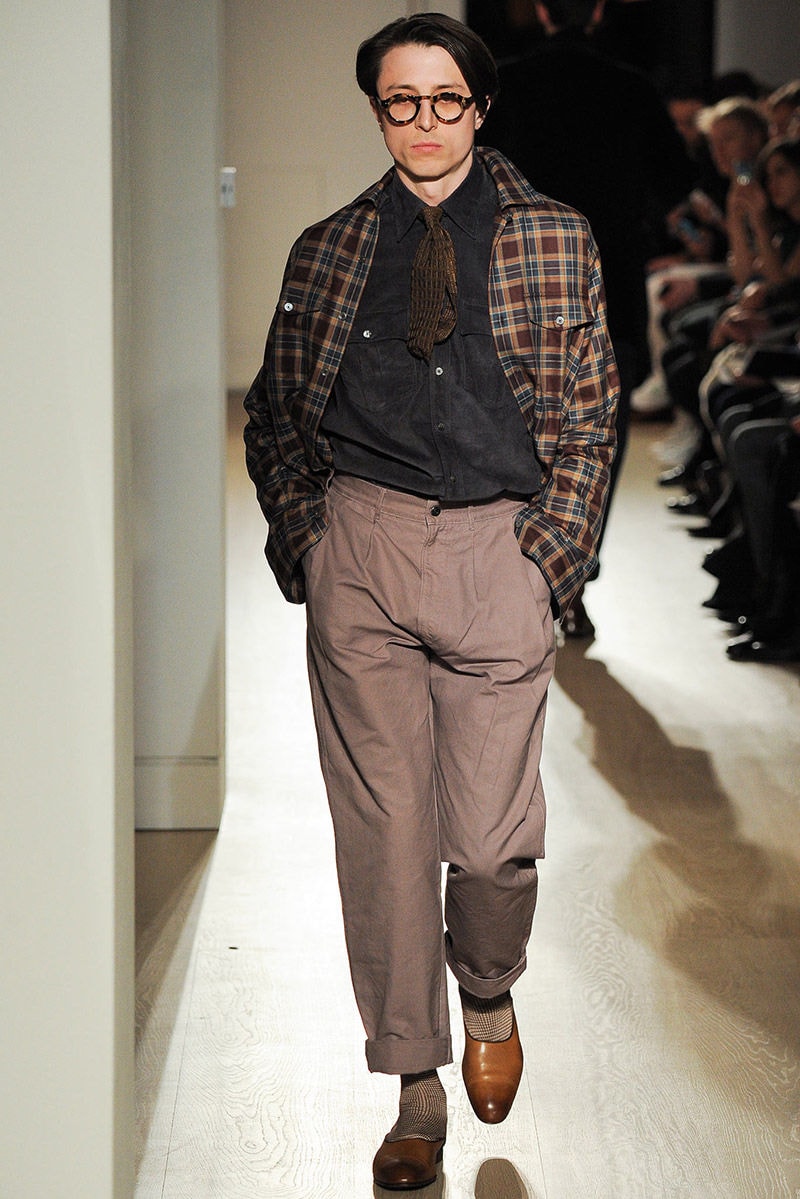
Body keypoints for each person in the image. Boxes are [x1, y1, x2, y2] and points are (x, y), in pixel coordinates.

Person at [243, 13, 618, 1191]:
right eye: (399, 102)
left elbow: (591, 412)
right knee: (386, 840)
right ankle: (413, 1086)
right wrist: (312, 540)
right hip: (362, 545)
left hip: (498, 547)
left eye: (444, 99)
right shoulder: (326, 248)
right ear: (376, 111)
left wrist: (549, 555)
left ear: (479, 107)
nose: (422, 122)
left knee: (493, 845)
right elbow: (274, 410)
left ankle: (487, 989)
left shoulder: (554, 236)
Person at [482, 0, 693, 635]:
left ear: (541, 10)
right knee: (597, 440)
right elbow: (677, 180)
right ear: (599, 11)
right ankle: (571, 583)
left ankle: (518, 577)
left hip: (520, 282)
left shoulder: (504, 84)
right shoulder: (631, 88)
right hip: (609, 280)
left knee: (516, 431)